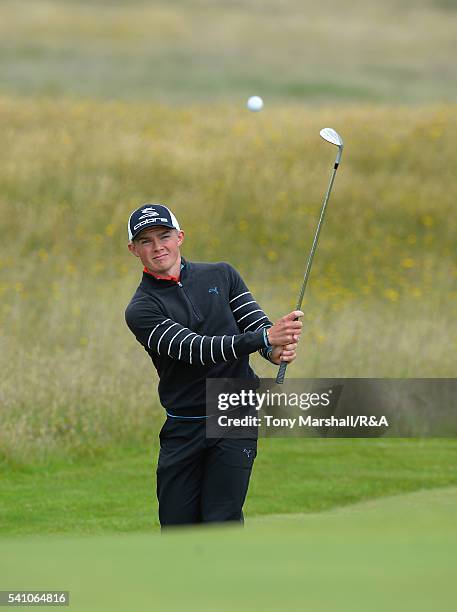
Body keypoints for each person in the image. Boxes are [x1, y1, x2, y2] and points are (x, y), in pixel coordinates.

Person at [125, 203, 302, 527]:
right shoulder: (141, 309)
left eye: (164, 236)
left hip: (234, 411)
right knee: (178, 526)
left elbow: (253, 325)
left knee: (222, 520)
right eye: (146, 241)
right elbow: (196, 350)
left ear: (180, 237)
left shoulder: (222, 274)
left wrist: (273, 350)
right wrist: (263, 339)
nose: (157, 246)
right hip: (185, 424)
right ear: (133, 249)